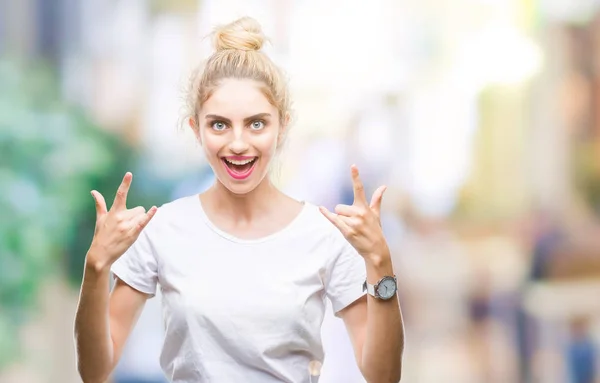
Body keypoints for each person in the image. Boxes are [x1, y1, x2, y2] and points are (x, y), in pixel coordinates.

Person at [73, 17, 404, 383]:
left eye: (257, 123)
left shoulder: (323, 234)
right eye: (219, 125)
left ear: (282, 126)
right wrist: (96, 268)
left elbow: (383, 375)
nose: (238, 143)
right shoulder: (164, 228)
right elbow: (95, 370)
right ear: (196, 129)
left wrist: (381, 265)